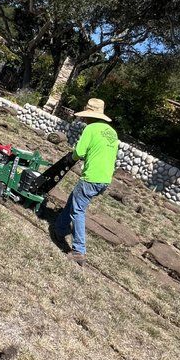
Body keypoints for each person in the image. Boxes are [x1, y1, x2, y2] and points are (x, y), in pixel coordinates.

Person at [53, 98, 119, 263]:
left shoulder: (91, 129)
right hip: (104, 179)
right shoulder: (112, 132)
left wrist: (71, 157)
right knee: (74, 201)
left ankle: (78, 251)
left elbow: (80, 152)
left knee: (78, 211)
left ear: (90, 115)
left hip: (92, 177)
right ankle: (60, 229)